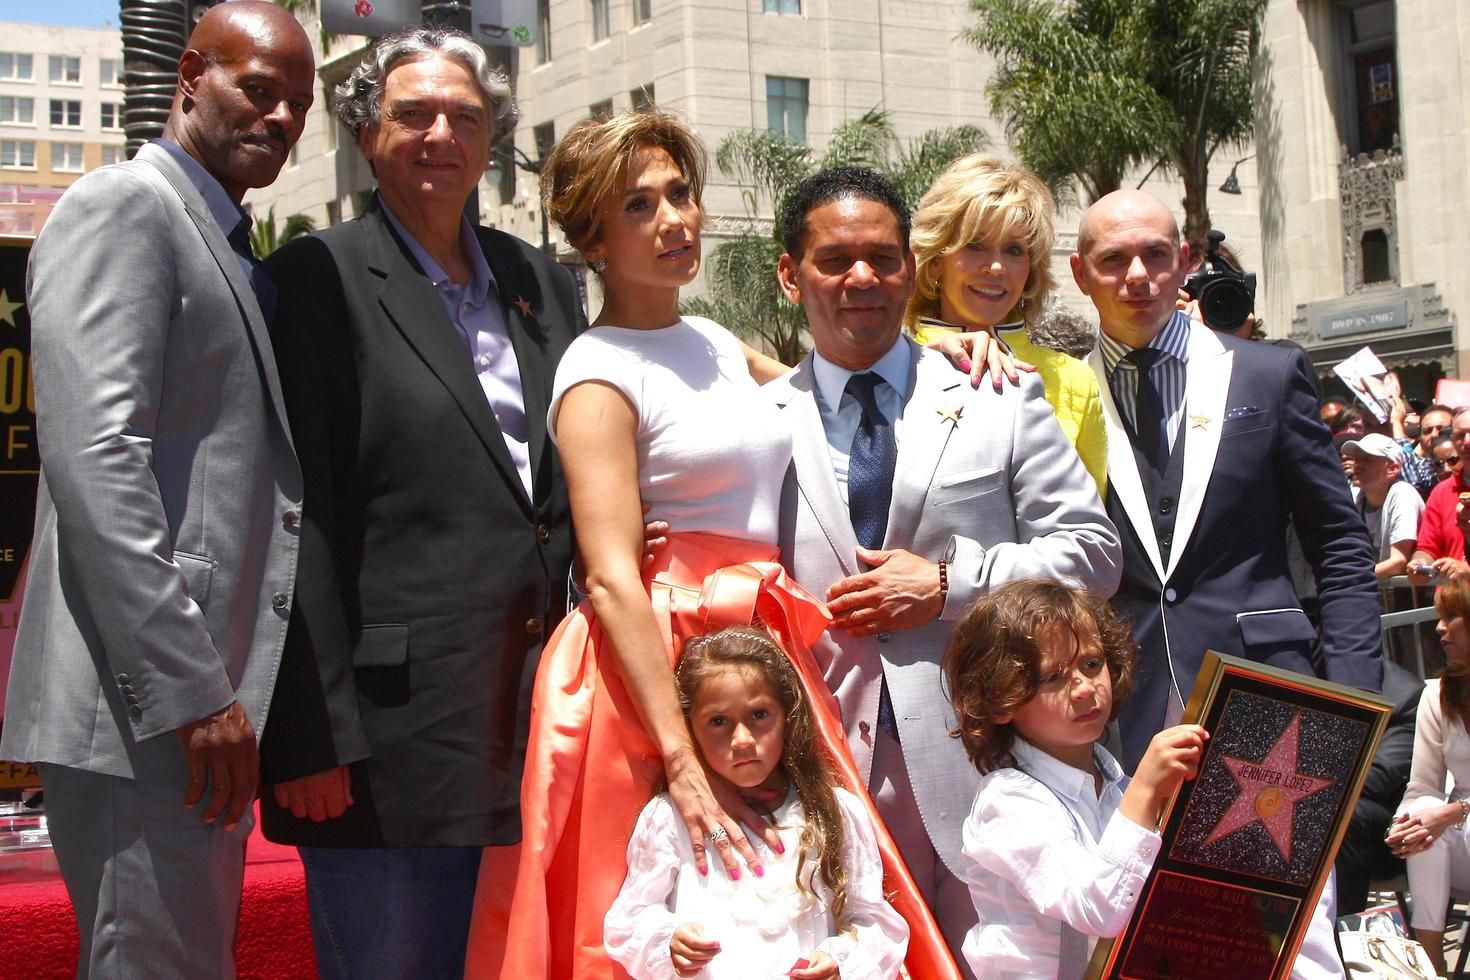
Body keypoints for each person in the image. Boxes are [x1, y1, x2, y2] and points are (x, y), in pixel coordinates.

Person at [467, 116, 957, 980]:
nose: (674, 219)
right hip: (649, 666)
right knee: (665, 903)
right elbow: (612, 577)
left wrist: (950, 348)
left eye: (681, 195)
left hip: (758, 645)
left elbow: (839, 374)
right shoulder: (595, 373)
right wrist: (680, 757)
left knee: (797, 901)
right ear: (591, 240)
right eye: (638, 205)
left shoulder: (717, 341)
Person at [254, 28, 584, 979]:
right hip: (385, 744)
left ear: (491, 141)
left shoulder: (540, 281)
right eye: (414, 114)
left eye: (466, 117)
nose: (442, 133)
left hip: (538, 722)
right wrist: (307, 736)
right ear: (365, 133)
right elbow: (292, 517)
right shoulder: (311, 282)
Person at [0, 4, 313, 976]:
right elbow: (96, 458)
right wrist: (189, 688)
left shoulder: (220, 234)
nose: (281, 118)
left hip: (184, 720)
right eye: (257, 89)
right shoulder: (124, 207)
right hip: (147, 718)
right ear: (187, 75)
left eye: (298, 104)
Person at [769, 166, 1122, 968]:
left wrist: (946, 587)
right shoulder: (756, 423)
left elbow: (1095, 556)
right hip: (826, 781)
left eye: (883, 258)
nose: (862, 278)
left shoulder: (999, 394)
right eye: (834, 260)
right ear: (791, 276)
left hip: (988, 766)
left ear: (910, 269)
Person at [1071, 189, 1382, 769]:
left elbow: (1339, 546)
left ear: (1185, 260)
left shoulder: (1268, 374)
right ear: (1080, 273)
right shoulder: (1059, 396)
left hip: (1270, 698)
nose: (1138, 276)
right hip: (1121, 720)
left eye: (1156, 255)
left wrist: (1354, 701)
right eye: (1114, 259)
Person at [604, 627, 909, 980]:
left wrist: (841, 962)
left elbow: (874, 921)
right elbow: (630, 918)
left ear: (787, 716)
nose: (742, 739)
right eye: (718, 722)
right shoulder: (670, 817)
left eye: (758, 715)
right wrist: (669, 943)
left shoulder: (836, 811)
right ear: (689, 729)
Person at [943, 579, 1206, 978]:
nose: (1084, 688)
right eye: (1053, 678)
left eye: (1091, 663)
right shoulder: (1008, 801)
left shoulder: (1116, 783)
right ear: (1000, 701)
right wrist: (1147, 791)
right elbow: (1096, 908)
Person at [905, 153, 1108, 495]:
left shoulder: (1074, 381)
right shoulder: (892, 364)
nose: (996, 267)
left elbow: (1090, 531)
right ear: (936, 261)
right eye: (975, 245)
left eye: (1014, 250)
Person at [1388, 576, 1470, 976]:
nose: (1439, 628)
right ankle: (1430, 965)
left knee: (1435, 816)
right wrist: (1403, 825)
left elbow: (1451, 812)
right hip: (1463, 839)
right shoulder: (1436, 696)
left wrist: (1453, 812)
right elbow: (1421, 785)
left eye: (1451, 617)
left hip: (1462, 818)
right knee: (1421, 813)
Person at [1334, 660, 1421, 916]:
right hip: (1314, 815)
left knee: (1348, 815)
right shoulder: (1300, 675)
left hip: (1389, 834)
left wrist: (1303, 788)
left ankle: (1343, 935)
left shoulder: (1405, 695)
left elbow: (1378, 779)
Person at [1341, 433, 1424, 580]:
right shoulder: (1355, 497)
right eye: (1357, 458)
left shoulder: (1402, 493)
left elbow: (1399, 561)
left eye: (1367, 459)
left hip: (1411, 597)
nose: (1358, 464)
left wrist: (1351, 579)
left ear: (1392, 468)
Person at [1409, 408, 1470, 585]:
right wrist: (1420, 562)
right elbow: (1427, 548)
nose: (1467, 442)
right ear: (1452, 440)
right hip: (1454, 606)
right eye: (1460, 435)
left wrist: (1466, 570)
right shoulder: (1441, 492)